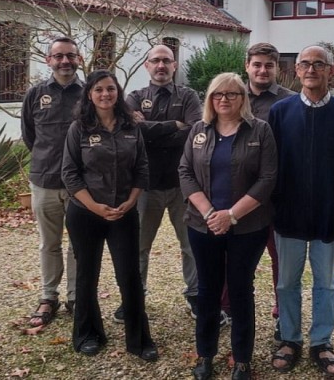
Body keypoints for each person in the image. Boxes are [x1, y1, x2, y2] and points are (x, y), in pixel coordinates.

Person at [268, 45, 334, 378]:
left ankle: (321, 341)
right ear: (296, 71)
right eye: (305, 64)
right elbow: (272, 161)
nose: (311, 69)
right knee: (287, 281)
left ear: (330, 71)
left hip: (328, 210)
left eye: (318, 64)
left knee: (326, 282)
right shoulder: (280, 112)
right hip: (288, 211)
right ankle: (290, 338)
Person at [178, 73, 278, 380]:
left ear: (242, 98)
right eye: (217, 94)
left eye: (232, 94)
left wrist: (231, 215)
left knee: (240, 290)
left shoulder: (260, 131)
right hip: (202, 225)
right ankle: (205, 355)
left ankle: (242, 359)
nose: (224, 99)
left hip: (247, 227)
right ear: (209, 98)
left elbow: (268, 178)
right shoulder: (199, 130)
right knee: (207, 291)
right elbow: (185, 171)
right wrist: (209, 213)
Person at [61, 70, 158, 362]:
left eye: (111, 89)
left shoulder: (131, 127)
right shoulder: (79, 128)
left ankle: (139, 340)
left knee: (129, 276)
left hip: (124, 213)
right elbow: (69, 173)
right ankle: (88, 334)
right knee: (86, 275)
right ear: (89, 94)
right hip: (85, 213)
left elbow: (142, 168)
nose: (106, 94)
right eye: (99, 90)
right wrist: (94, 206)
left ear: (118, 93)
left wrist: (130, 202)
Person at [121, 44, 201, 321]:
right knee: (139, 246)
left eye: (167, 60)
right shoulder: (134, 97)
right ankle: (135, 295)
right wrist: (173, 125)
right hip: (145, 185)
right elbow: (132, 133)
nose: (161, 66)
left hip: (183, 185)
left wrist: (150, 128)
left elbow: (194, 132)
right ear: (146, 65)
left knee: (191, 244)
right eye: (155, 60)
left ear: (174, 65)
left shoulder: (188, 96)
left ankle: (195, 294)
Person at [21, 37, 84, 327]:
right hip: (44, 180)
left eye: (70, 55)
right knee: (49, 243)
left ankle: (76, 297)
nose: (64, 61)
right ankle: (49, 297)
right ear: (49, 60)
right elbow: (30, 136)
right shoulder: (35, 94)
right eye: (58, 56)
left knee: (79, 243)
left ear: (79, 59)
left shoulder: (88, 94)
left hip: (81, 184)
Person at [239, 42, 295, 335]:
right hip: (237, 193)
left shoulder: (291, 101)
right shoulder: (232, 97)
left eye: (268, 65)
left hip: (278, 195)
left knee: (280, 260)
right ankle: (229, 309)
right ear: (247, 65)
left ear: (277, 69)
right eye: (257, 64)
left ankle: (282, 314)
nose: (262, 70)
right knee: (234, 258)